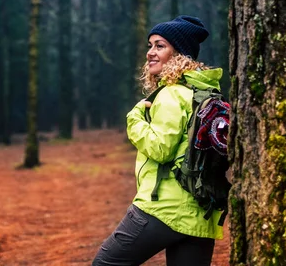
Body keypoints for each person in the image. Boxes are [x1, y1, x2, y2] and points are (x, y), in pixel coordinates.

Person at [92, 15, 224, 266]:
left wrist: (135, 119)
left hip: (163, 208)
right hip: (200, 213)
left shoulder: (171, 94)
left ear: (179, 55)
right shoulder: (201, 94)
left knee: (105, 264)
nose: (150, 53)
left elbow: (161, 148)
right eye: (150, 45)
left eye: (160, 46)